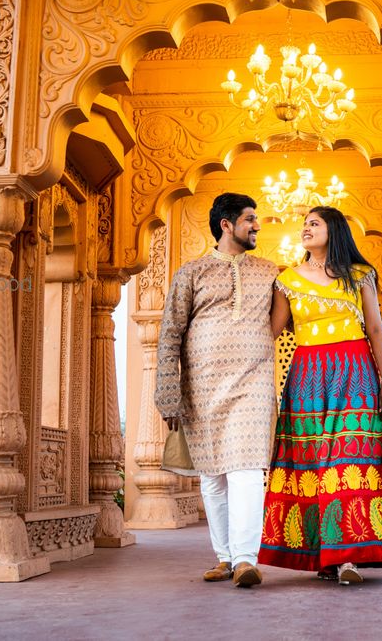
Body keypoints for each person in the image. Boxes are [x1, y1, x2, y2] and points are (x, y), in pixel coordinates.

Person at [258, 206, 382, 584]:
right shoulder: (287, 280)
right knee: (312, 466)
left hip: (355, 373)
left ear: (333, 230)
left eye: (314, 224)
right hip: (307, 379)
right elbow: (270, 333)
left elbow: (374, 328)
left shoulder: (359, 276)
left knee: (349, 461)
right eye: (304, 225)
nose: (305, 229)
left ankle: (350, 559)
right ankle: (323, 557)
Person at [155, 192, 278, 588]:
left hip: (254, 382)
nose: (256, 225)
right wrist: (168, 393)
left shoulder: (271, 272)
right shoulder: (191, 273)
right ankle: (224, 557)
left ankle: (245, 558)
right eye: (249, 219)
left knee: (245, 468)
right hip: (202, 386)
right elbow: (170, 334)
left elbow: (301, 309)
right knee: (213, 475)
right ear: (227, 224)